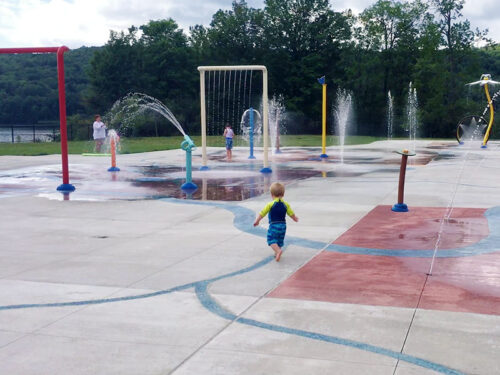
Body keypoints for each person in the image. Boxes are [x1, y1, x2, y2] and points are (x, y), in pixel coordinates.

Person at [253, 182, 299, 261]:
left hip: (274, 225)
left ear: (272, 195)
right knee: (279, 240)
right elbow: (291, 213)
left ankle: (278, 251)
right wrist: (294, 218)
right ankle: (277, 252)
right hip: (283, 226)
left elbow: (262, 213)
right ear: (283, 194)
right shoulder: (286, 204)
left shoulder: (270, 204)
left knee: (271, 239)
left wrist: (257, 221)